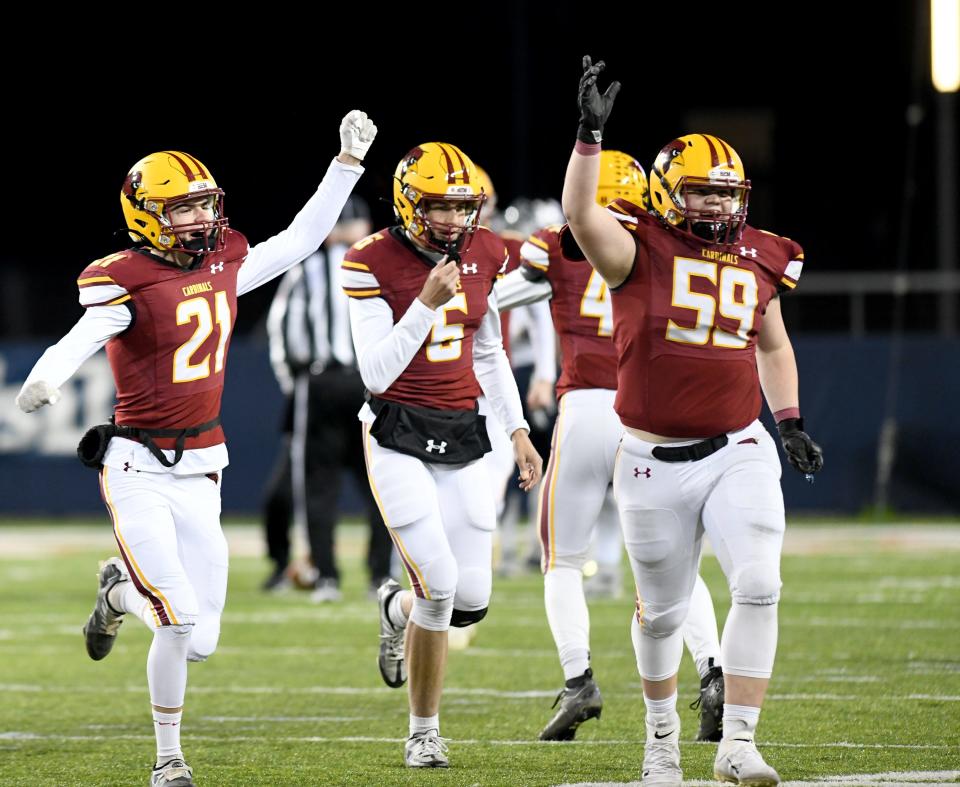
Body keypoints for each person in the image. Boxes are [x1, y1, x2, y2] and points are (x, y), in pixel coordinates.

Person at [15, 110, 377, 787]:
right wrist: (45, 377)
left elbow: (300, 240)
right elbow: (81, 336)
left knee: (201, 638)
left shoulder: (225, 262)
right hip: (136, 467)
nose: (200, 220)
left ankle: (117, 593)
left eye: (206, 205)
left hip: (203, 467)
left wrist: (345, 165)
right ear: (147, 215)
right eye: (184, 209)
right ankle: (168, 757)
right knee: (178, 619)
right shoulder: (126, 281)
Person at [562, 56, 823, 786]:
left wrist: (791, 419)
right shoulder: (637, 247)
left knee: (761, 583)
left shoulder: (762, 255)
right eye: (702, 192)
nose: (716, 205)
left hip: (738, 445)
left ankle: (738, 742)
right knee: (661, 616)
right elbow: (581, 214)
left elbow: (772, 342)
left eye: (726, 193)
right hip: (648, 458)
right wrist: (588, 135)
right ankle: (662, 739)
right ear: (669, 195)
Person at [494, 150, 725, 743]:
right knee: (673, 565)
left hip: (585, 409)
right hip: (647, 414)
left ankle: (579, 681)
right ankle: (714, 668)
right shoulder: (661, 242)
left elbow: (496, 298)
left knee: (561, 560)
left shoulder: (560, 243)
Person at [340, 141, 543, 768]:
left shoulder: (486, 252)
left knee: (471, 600)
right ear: (407, 204)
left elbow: (489, 352)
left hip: (463, 431)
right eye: (440, 208)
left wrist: (516, 430)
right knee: (441, 585)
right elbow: (375, 371)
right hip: (396, 431)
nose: (455, 221)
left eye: (463, 207)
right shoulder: (369, 260)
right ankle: (423, 731)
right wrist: (425, 303)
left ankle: (392, 606)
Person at [261, 195, 394, 601]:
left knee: (318, 485)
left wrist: (296, 383)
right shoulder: (380, 266)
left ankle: (326, 576)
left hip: (320, 382)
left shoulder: (307, 269)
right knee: (381, 482)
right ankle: (378, 577)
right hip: (371, 382)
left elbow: (279, 330)